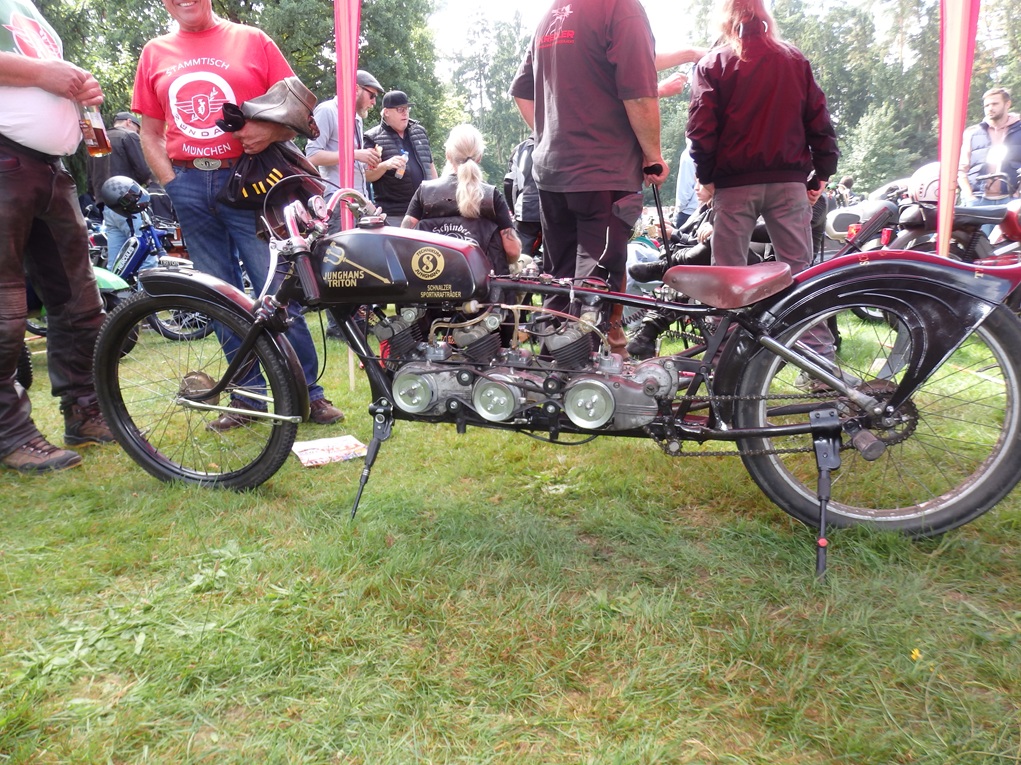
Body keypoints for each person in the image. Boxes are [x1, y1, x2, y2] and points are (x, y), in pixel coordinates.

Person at [132, 0, 344, 428]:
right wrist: (173, 184)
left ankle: (307, 394)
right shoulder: (153, 52)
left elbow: (304, 117)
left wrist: (272, 129)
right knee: (218, 297)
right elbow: (150, 133)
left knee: (277, 289)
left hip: (253, 180)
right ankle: (248, 398)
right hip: (189, 183)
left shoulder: (253, 40)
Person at [509, 0, 668, 355]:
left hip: (552, 171)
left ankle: (555, 370)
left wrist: (551, 135)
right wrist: (653, 155)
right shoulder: (619, 7)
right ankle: (583, 376)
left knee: (560, 280)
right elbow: (640, 94)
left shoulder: (552, 13)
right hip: (603, 168)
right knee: (594, 284)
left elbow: (522, 93)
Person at [686, 0, 839, 369]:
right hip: (788, 183)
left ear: (725, 20)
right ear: (765, 17)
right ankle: (820, 363)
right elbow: (819, 120)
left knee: (728, 278)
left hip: (734, 186)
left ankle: (723, 363)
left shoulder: (713, 63)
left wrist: (707, 177)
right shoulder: (793, 59)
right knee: (799, 275)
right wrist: (821, 173)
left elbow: (700, 130)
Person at [0, 0, 115, 473]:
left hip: (49, 167)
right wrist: (43, 74)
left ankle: (84, 411)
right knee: (5, 312)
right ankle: (9, 433)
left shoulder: (27, 7)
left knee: (80, 303)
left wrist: (77, 86)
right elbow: (36, 74)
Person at [401, 124, 521, 275]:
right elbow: (512, 250)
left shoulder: (425, 192)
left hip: (431, 281)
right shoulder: (492, 196)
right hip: (484, 283)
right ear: (479, 157)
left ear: (448, 155)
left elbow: (403, 239)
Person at [88, 111, 158, 267]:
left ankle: (116, 285)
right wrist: (153, 185)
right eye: (137, 129)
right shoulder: (129, 136)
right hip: (128, 204)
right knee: (145, 257)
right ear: (129, 122)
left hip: (107, 207)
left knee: (116, 263)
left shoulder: (98, 140)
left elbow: (90, 178)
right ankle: (146, 285)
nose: (137, 133)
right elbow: (143, 170)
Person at [305, 69, 383, 197]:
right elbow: (312, 157)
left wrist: (367, 160)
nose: (374, 102)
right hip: (336, 197)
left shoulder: (357, 117)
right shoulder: (327, 110)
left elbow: (353, 160)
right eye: (372, 95)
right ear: (356, 89)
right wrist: (354, 154)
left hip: (358, 197)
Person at [363, 90, 437, 221]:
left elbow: (430, 167)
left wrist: (436, 197)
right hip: (394, 214)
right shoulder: (372, 138)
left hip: (425, 210)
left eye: (407, 109)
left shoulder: (420, 132)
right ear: (386, 112)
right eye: (400, 109)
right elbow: (366, 176)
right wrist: (385, 165)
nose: (405, 113)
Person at [958, 87, 1021, 208]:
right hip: (977, 200)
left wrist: (1017, 194)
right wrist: (969, 195)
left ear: (1007, 104)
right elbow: (961, 169)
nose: (990, 108)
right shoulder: (972, 133)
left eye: (995, 104)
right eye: (986, 105)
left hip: (1012, 201)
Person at [503, 134, 542, 259]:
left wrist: (514, 210)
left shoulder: (521, 148)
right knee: (556, 255)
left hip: (526, 207)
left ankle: (520, 270)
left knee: (520, 256)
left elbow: (509, 184)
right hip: (553, 207)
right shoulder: (558, 143)